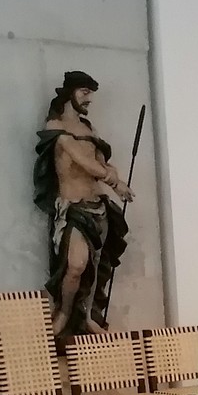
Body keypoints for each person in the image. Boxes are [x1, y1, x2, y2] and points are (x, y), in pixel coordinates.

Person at [34, 71, 133, 336]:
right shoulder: (56, 127)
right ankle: (64, 313)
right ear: (70, 92)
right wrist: (115, 183)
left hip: (97, 206)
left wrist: (113, 174)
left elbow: (100, 161)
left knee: (95, 267)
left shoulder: (89, 128)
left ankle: (88, 316)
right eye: (85, 92)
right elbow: (82, 160)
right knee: (76, 265)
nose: (89, 99)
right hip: (73, 207)